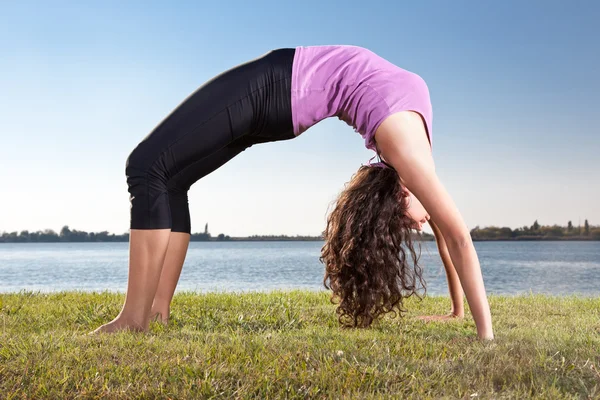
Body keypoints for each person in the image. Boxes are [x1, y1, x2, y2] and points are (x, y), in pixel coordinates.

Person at [91, 45, 494, 340]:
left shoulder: (409, 154)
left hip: (277, 89)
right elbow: (453, 237)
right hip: (280, 93)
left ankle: (133, 318)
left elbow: (453, 236)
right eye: (408, 221)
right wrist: (460, 315)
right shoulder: (415, 155)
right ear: (398, 193)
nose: (419, 223)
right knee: (169, 179)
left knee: (145, 167)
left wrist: (479, 330)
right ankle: (155, 311)